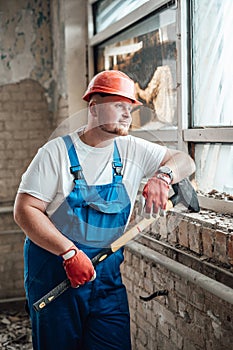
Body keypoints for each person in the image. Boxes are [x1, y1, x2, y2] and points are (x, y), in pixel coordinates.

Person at [14, 70, 196, 350]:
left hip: (106, 283)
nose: (127, 115)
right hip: (56, 277)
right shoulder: (55, 153)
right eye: (118, 106)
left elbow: (185, 161)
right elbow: (25, 210)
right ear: (94, 109)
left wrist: (164, 176)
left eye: (129, 108)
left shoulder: (131, 149)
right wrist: (68, 251)